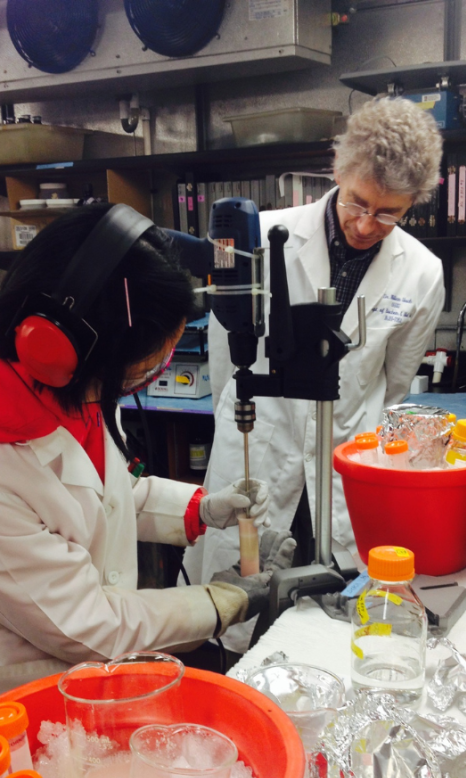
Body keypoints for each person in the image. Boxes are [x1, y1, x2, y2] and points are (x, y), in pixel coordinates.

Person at [0, 205, 292, 765]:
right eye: (147, 363)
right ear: (70, 352)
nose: (156, 370)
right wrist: (222, 601)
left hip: (79, 671)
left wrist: (204, 510)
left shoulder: (58, 385)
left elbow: (103, 496)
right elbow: (89, 626)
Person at [187, 96, 446, 648]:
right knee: (245, 617)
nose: (366, 223)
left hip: (345, 466)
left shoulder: (422, 271)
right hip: (262, 445)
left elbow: (394, 385)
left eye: (389, 213)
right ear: (338, 171)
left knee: (337, 621)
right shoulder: (260, 238)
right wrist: (238, 426)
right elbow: (224, 358)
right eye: (358, 203)